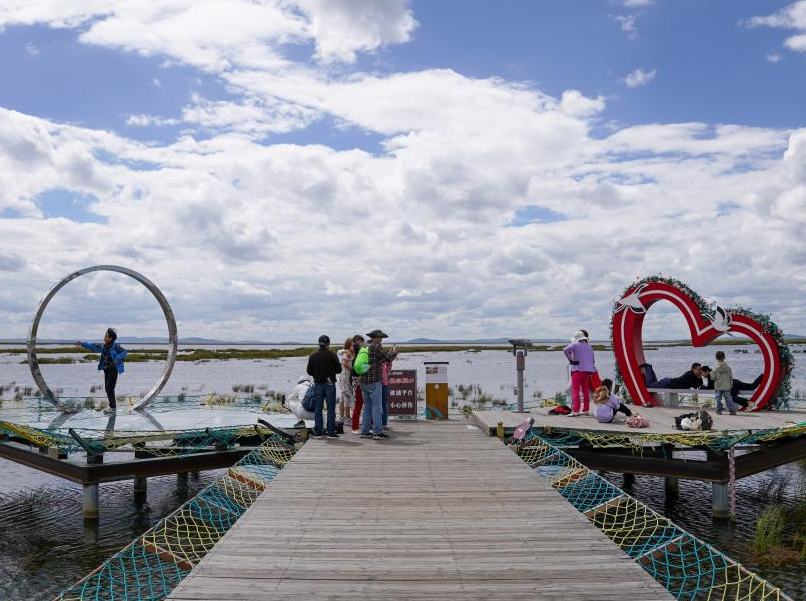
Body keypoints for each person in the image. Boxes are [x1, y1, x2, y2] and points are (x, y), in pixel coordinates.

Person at [75, 328, 127, 413]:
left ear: (111, 338)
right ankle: (112, 407)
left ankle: (113, 408)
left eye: (106, 336)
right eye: (105, 335)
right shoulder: (104, 347)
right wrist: (82, 344)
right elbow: (93, 347)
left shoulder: (116, 347)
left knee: (110, 388)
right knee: (107, 388)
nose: (104, 337)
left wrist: (117, 358)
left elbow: (124, 352)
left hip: (114, 370)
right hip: (106, 370)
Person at [359, 329, 399, 440]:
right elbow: (388, 359)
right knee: (377, 407)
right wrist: (394, 351)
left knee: (368, 408)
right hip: (374, 381)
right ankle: (377, 432)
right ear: (375, 338)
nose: (381, 340)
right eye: (380, 338)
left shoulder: (364, 347)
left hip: (363, 382)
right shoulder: (376, 347)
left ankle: (365, 431)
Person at [306, 335, 342, 439]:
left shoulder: (313, 355)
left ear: (319, 343)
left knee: (318, 408)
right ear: (328, 344)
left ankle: (318, 432)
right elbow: (339, 370)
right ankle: (330, 432)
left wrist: (316, 374)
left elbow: (309, 371)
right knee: (331, 408)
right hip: (330, 383)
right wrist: (330, 372)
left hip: (318, 384)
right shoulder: (332, 355)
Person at [563, 329, 596, 416]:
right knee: (585, 390)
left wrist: (571, 359)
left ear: (577, 338)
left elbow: (565, 350)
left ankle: (576, 411)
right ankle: (586, 410)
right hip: (588, 372)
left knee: (575, 391)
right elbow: (593, 360)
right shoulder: (590, 347)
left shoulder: (575, 345)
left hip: (577, 371)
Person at [711, 350, 736, 415]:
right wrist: (731, 384)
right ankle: (732, 410)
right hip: (727, 385)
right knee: (729, 398)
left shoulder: (715, 368)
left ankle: (719, 410)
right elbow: (731, 377)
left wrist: (711, 373)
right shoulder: (728, 367)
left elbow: (713, 378)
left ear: (716, 358)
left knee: (718, 398)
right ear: (724, 357)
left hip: (718, 386)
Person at [350, 334, 366, 435]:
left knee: (365, 404)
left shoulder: (359, 354)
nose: (361, 343)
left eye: (361, 341)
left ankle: (362, 425)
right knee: (359, 404)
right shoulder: (355, 355)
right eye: (359, 342)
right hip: (358, 382)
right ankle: (355, 427)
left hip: (361, 382)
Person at [336, 338, 355, 422]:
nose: (353, 346)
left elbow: (339, 352)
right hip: (344, 377)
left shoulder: (350, 352)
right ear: (348, 345)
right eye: (352, 344)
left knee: (343, 397)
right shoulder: (347, 352)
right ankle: (347, 418)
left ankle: (343, 417)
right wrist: (354, 371)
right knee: (347, 396)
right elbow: (344, 363)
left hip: (347, 377)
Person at [381, 358, 393, 431]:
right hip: (377, 383)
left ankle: (384, 424)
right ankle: (378, 424)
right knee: (381, 405)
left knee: (384, 405)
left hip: (383, 383)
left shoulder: (384, 356)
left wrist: (387, 369)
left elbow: (389, 362)